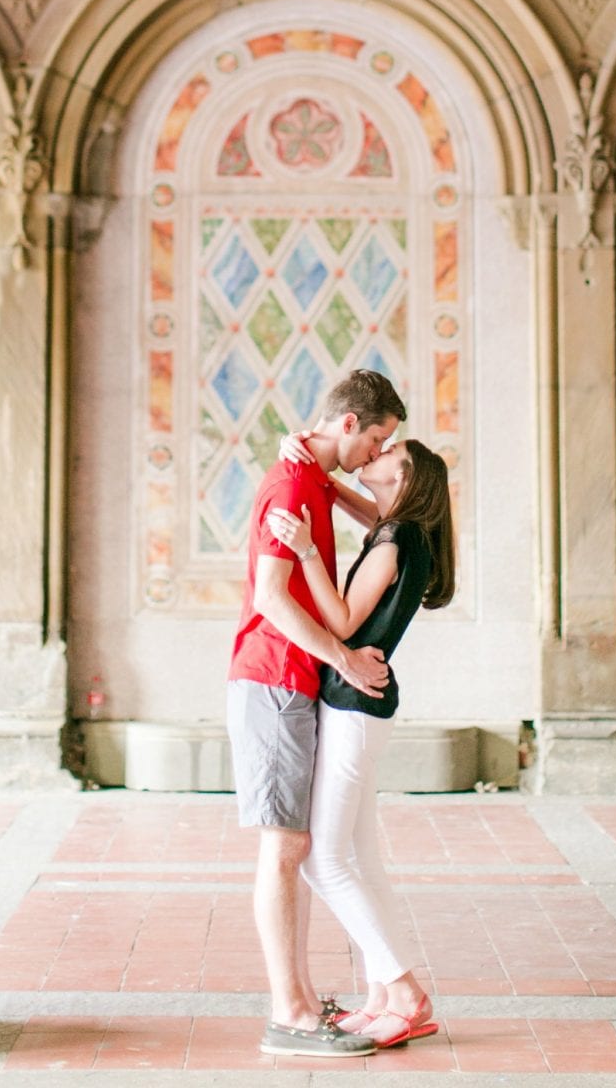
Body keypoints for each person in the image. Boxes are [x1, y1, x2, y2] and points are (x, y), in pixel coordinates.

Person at [226, 369, 408, 1059]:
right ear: (349, 424)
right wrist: (344, 658)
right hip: (271, 679)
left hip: (291, 681)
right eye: (379, 439)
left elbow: (385, 520)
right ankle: (291, 1014)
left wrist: (327, 475)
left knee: (295, 846)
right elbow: (272, 599)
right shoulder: (293, 482)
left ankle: (298, 1002)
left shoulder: (309, 476)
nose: (378, 455)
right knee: (283, 849)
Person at [267, 436, 455, 1049]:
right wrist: (321, 481)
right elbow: (368, 511)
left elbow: (344, 624)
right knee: (361, 859)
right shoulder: (406, 531)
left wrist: (305, 556)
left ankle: (403, 990)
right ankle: (382, 994)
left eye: (386, 453)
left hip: (353, 707)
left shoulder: (397, 541)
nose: (373, 455)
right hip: (364, 708)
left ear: (404, 480)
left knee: (323, 858)